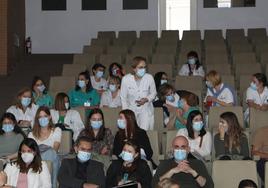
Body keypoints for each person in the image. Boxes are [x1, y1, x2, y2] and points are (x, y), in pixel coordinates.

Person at [28, 106, 62, 188]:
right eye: (40, 117)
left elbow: (55, 149)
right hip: (35, 160)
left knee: (52, 154)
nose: (42, 119)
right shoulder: (31, 134)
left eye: (45, 116)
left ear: (50, 117)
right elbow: (29, 151)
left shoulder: (56, 130)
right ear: (37, 119)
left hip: (51, 158)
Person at [120, 56, 157, 130]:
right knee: (132, 131)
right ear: (134, 68)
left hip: (145, 109)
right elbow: (123, 98)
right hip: (131, 109)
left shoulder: (149, 78)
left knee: (144, 132)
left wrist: (146, 99)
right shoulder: (126, 79)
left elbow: (154, 93)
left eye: (144, 67)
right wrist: (126, 113)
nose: (143, 69)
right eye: (140, 67)